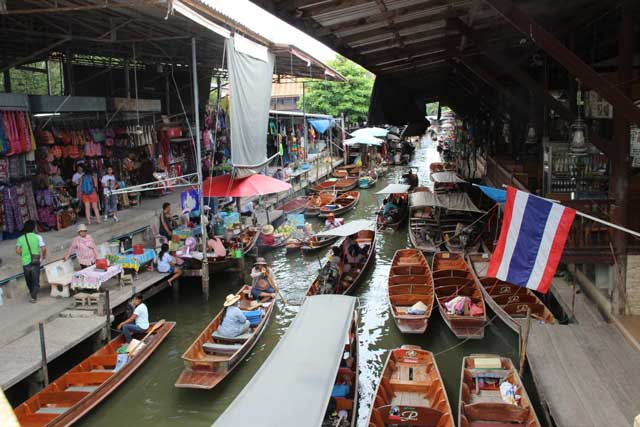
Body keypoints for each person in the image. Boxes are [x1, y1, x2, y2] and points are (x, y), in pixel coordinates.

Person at [16, 220, 46, 303]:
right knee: (35, 278)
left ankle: (32, 292)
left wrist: (24, 254)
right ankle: (34, 296)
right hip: (35, 259)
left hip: (25, 262)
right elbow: (43, 248)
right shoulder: (38, 237)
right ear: (33, 228)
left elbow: (17, 250)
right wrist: (43, 256)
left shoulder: (20, 239)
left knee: (28, 279)